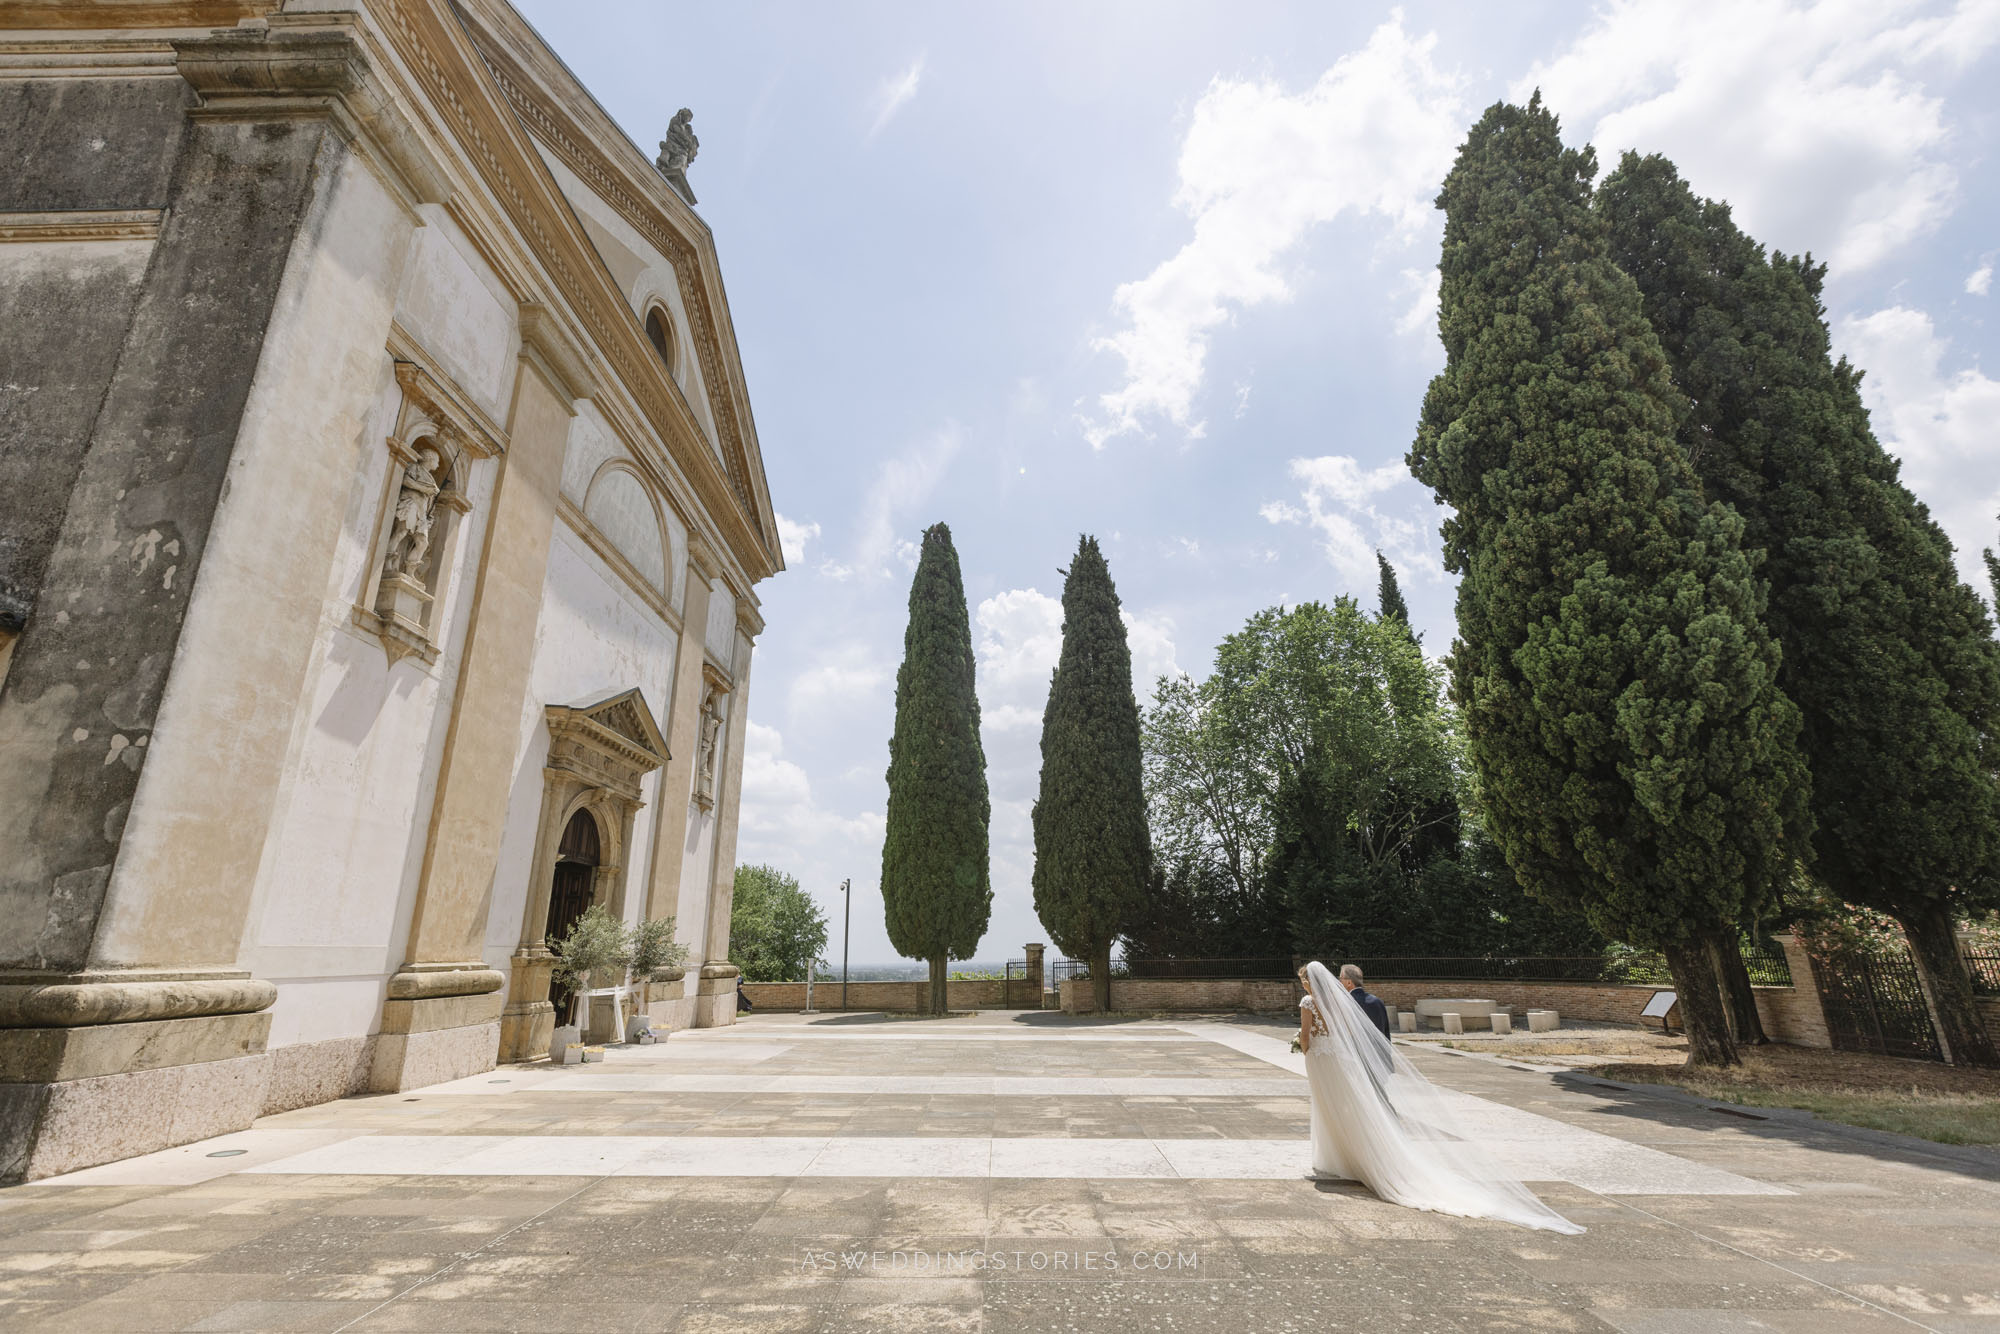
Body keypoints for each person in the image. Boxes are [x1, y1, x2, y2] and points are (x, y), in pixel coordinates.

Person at [1296, 960, 1581, 1233]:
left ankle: (1347, 1156)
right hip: (1343, 1060)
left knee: (1336, 1109)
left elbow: (1309, 1036)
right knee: (1357, 1108)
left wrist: (1304, 1046)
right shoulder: (1340, 1002)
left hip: (1328, 1060)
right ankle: (1361, 1152)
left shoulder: (1311, 1002)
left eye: (1302, 980)